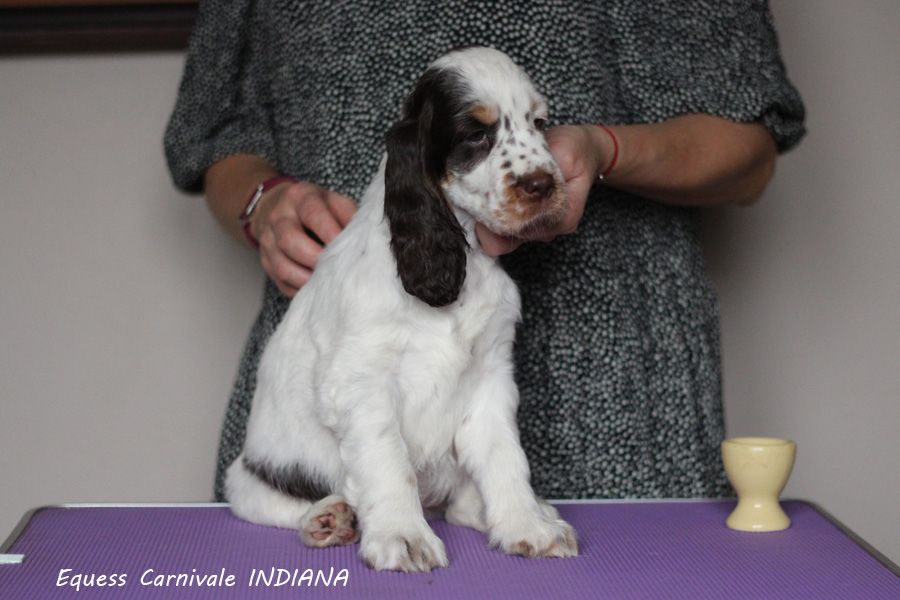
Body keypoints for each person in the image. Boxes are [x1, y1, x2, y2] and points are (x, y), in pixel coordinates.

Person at [165, 1, 805, 503]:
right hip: (342, 373)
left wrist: (605, 149)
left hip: (619, 378)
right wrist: (262, 202)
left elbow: (748, 151)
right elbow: (215, 137)